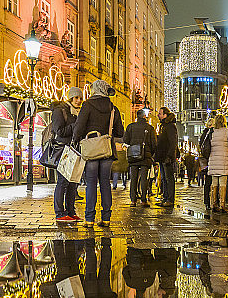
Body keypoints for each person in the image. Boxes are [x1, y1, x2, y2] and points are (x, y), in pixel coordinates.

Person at [72, 80, 124, 228]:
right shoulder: (113, 108)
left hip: (91, 148)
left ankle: (89, 219)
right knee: (105, 185)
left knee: (91, 184)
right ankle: (106, 218)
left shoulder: (87, 105)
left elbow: (79, 127)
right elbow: (120, 132)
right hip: (107, 149)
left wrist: (76, 140)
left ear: (94, 89)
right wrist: (108, 134)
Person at [50, 87, 83, 221]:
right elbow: (59, 131)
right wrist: (76, 124)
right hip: (63, 150)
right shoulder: (60, 111)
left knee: (73, 182)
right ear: (70, 98)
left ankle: (71, 211)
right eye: (76, 98)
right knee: (63, 182)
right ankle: (59, 213)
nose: (79, 100)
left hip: (75, 150)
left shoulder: (79, 112)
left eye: (80, 98)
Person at [123, 109, 156, 207]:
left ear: (137, 116)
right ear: (144, 116)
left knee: (133, 178)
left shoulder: (130, 127)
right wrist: (151, 153)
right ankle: (143, 200)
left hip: (133, 155)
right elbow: (154, 144)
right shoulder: (150, 128)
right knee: (144, 178)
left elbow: (126, 140)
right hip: (145, 156)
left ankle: (133, 200)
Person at [207, 114, 228, 213]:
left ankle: (213, 204)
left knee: (214, 183)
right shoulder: (226, 131)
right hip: (224, 160)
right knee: (223, 183)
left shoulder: (212, 132)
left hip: (213, 160)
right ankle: (222, 205)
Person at [155, 106, 178, 207]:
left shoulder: (170, 126)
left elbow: (173, 142)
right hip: (161, 156)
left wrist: (169, 155)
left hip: (166, 156)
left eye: (160, 113)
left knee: (169, 178)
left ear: (165, 115)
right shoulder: (163, 126)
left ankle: (170, 199)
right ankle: (165, 198)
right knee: (164, 178)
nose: (158, 115)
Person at [198, 118, 214, 209]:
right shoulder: (210, 133)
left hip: (207, 160)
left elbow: (201, 146)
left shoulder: (204, 134)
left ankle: (207, 201)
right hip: (211, 159)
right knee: (211, 182)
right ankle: (210, 201)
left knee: (208, 182)